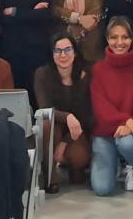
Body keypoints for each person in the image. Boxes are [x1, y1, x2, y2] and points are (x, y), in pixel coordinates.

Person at [89, 17, 133, 196]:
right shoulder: (98, 69)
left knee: (127, 144)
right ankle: (114, 160)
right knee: (102, 189)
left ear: (132, 39)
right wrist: (126, 121)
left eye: (125, 37)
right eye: (114, 37)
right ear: (107, 39)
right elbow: (100, 107)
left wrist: (132, 124)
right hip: (105, 132)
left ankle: (132, 165)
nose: (120, 42)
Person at [33, 34, 93, 193]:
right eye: (57, 50)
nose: (63, 55)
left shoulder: (84, 75)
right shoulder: (42, 74)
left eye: (67, 50)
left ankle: (72, 166)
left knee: (80, 158)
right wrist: (67, 116)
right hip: (53, 127)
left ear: (75, 52)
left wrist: (64, 143)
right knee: (47, 124)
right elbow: (44, 108)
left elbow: (86, 115)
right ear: (52, 54)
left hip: (76, 129)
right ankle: (50, 178)